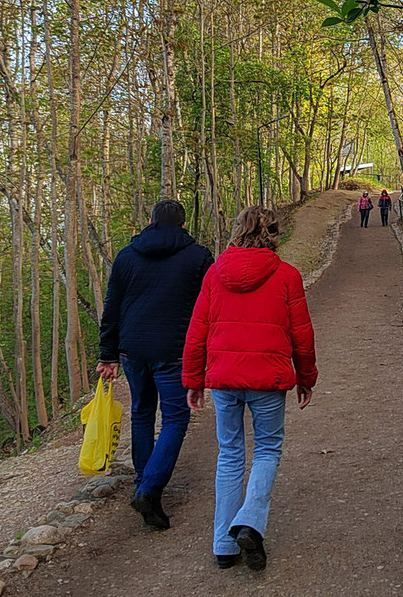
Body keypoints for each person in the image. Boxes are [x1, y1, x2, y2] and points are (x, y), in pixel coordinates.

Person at [183, 205, 317, 572]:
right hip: (268, 379)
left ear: (237, 231)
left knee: (229, 454)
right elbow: (302, 334)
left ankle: (224, 545)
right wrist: (306, 377)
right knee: (267, 449)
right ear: (273, 234)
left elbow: (197, 330)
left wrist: (193, 379)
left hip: (224, 378)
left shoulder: (214, 274)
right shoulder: (287, 276)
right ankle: (250, 523)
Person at [97, 199, 213, 530]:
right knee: (175, 418)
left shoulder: (126, 256)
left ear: (149, 221)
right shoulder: (199, 257)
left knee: (142, 414)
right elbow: (210, 306)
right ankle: (149, 488)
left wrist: (108, 354)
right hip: (174, 349)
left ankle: (142, 483)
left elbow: (112, 307)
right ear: (183, 225)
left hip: (133, 349)